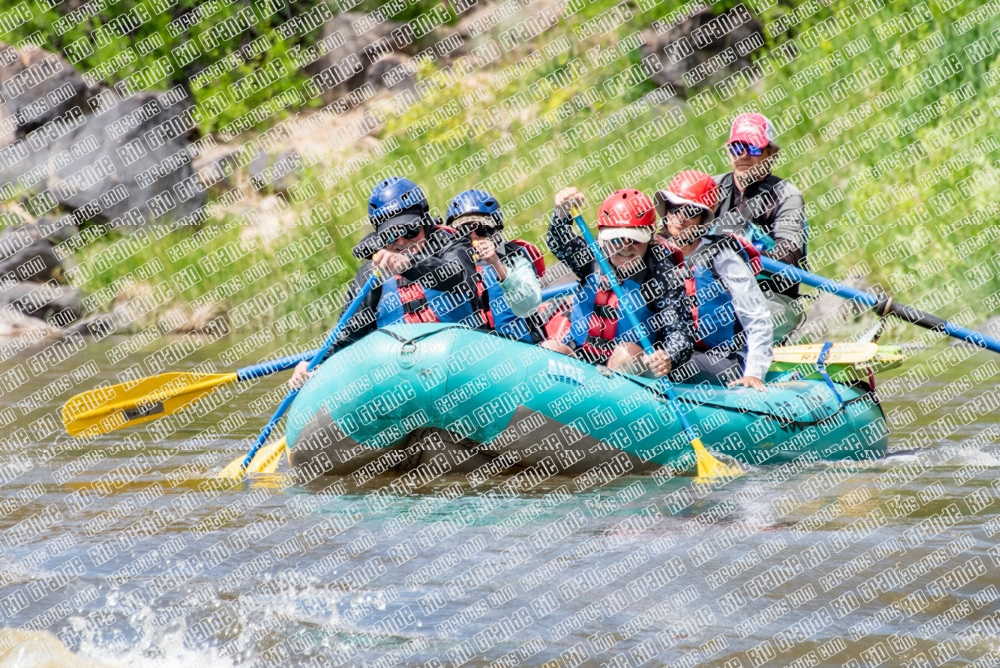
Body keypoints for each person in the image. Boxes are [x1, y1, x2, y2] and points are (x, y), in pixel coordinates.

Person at [289, 176, 478, 389]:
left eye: (411, 231)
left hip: (458, 364)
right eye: (392, 235)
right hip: (401, 374)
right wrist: (315, 365)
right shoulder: (371, 272)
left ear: (425, 222)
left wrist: (409, 264)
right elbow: (349, 334)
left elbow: (460, 276)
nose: (403, 242)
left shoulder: (452, 245)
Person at [542, 187, 693, 378]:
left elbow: (681, 333)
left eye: (634, 240)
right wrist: (563, 213)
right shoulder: (593, 255)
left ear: (649, 238)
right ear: (604, 236)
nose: (625, 247)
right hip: (581, 356)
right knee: (550, 348)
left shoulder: (661, 273)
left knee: (624, 354)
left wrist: (668, 356)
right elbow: (558, 241)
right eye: (617, 240)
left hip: (630, 369)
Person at [654, 170, 773, 391]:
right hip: (668, 353)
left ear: (702, 219)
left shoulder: (722, 257)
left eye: (689, 211)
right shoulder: (654, 254)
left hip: (723, 360)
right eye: (674, 208)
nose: (680, 218)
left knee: (675, 363)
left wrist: (754, 373)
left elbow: (758, 319)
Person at [714, 112, 806, 341]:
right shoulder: (711, 189)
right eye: (736, 147)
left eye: (753, 148)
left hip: (772, 297)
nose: (743, 155)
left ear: (772, 154)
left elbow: (789, 256)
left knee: (732, 316)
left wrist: (741, 254)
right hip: (716, 292)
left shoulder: (787, 196)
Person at [446, 189, 545, 342]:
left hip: (517, 348)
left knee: (552, 346)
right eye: (463, 231)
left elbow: (529, 304)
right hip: (469, 351)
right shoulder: (442, 265)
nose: (473, 237)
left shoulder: (513, 257)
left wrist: (496, 264)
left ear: (497, 232)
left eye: (482, 230)